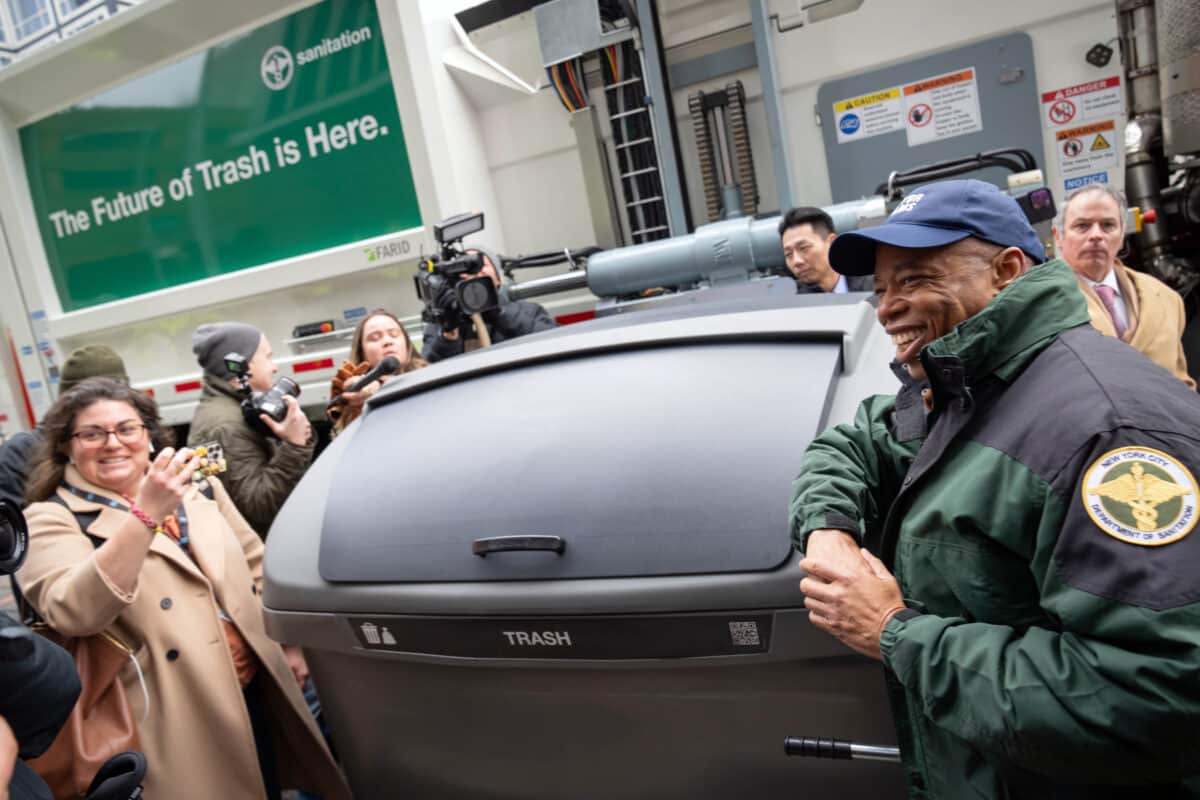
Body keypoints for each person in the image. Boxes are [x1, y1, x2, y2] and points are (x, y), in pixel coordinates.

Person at [788, 179, 1200, 798]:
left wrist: (895, 632)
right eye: (881, 288)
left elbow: (1160, 690)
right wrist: (828, 527)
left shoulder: (1106, 431)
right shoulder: (970, 386)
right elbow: (858, 442)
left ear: (1006, 270)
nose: (887, 308)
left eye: (914, 279)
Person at [16, 379, 350, 800]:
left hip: (254, 689)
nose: (112, 443)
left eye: (127, 429)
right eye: (92, 434)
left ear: (148, 436)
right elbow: (74, 612)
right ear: (66, 445)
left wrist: (289, 645)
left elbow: (255, 563)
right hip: (171, 717)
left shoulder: (195, 484)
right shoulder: (50, 517)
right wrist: (146, 515)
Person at [1053, 184, 1194, 388]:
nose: (1096, 235)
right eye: (1082, 226)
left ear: (1121, 236)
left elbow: (1182, 383)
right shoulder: (1040, 303)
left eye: (1108, 225)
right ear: (1058, 236)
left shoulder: (1167, 299)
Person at [187, 323, 313, 539]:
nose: (274, 367)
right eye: (268, 357)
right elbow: (258, 508)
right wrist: (294, 446)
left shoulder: (238, 408)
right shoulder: (225, 426)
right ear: (243, 366)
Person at [0, 345, 129, 509]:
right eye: (91, 435)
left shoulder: (137, 440)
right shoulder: (21, 451)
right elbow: (12, 526)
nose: (113, 444)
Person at [421, 249, 556, 363]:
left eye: (481, 264)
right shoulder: (440, 325)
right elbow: (427, 367)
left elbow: (553, 341)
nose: (476, 272)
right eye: (467, 269)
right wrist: (448, 335)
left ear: (497, 278)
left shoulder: (528, 311)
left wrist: (500, 314)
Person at [329, 309, 427, 434]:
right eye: (375, 338)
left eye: (394, 334)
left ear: (407, 343)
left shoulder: (430, 374)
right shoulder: (355, 391)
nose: (387, 341)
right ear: (362, 352)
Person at [778, 206, 872, 294]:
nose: (796, 261)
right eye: (788, 254)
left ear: (832, 243)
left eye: (803, 248)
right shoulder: (791, 303)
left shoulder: (873, 288)